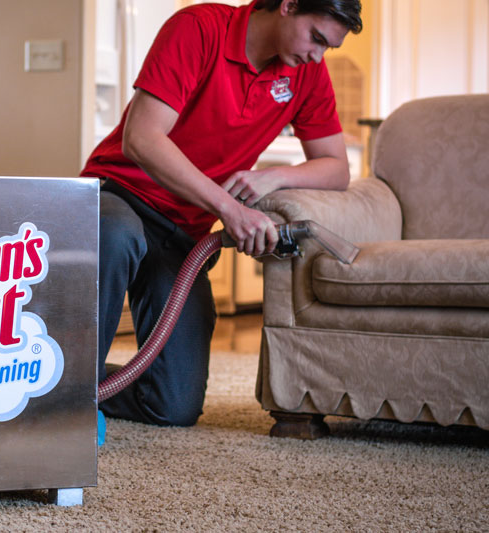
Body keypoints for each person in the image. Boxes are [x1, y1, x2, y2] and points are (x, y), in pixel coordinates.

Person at [81, 0, 363, 429]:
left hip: (182, 231)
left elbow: (336, 168)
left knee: (172, 406)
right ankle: (65, 404)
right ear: (288, 5)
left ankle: (66, 383)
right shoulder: (199, 29)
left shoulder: (307, 73)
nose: (317, 55)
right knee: (115, 234)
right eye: (316, 38)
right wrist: (229, 208)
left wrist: (273, 177)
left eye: (328, 47)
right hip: (120, 196)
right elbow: (141, 138)